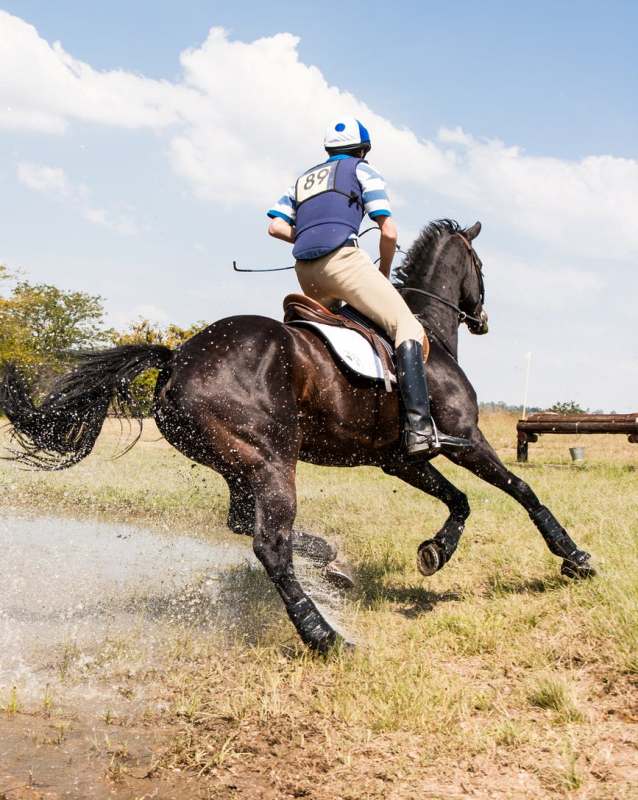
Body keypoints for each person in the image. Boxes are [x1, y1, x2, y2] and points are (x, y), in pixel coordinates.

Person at [267, 116, 468, 457]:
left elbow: (275, 226)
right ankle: (419, 428)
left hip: (305, 272)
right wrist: (385, 270)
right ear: (363, 150)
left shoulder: (302, 180)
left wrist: (304, 235)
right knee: (407, 325)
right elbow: (388, 230)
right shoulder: (362, 170)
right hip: (344, 263)